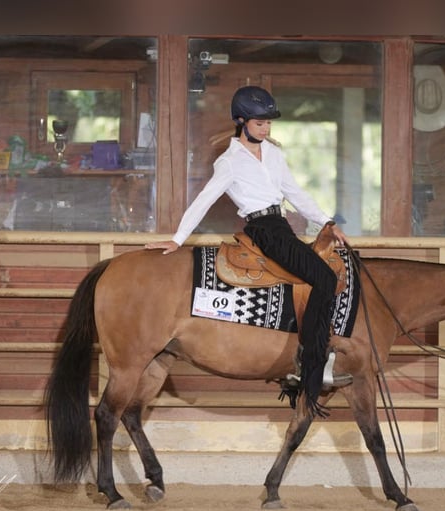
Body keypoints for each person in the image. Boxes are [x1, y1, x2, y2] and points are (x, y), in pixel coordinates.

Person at [145, 85, 348, 417]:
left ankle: (305, 358)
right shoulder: (229, 162)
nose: (265, 129)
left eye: (268, 123)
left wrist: (327, 222)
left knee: (317, 278)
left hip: (281, 225)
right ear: (241, 121)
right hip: (263, 231)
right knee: (324, 279)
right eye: (259, 123)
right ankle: (314, 367)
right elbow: (204, 200)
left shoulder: (274, 153)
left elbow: (295, 193)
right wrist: (178, 239)